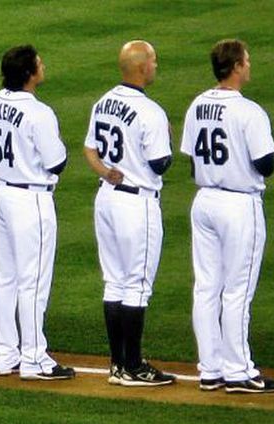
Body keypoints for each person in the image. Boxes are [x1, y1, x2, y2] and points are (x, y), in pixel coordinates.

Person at [180, 39, 274, 394]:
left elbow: (192, 159)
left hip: (204, 199)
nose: (250, 65)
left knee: (206, 287)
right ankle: (239, 371)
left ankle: (210, 369)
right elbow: (266, 164)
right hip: (239, 205)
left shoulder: (197, 105)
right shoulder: (248, 111)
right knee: (237, 290)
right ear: (236, 66)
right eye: (247, 60)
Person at [83, 40, 175, 387]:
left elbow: (89, 149)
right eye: (153, 60)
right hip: (137, 204)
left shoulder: (104, 101)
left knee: (115, 282)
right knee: (136, 285)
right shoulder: (151, 111)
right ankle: (134, 366)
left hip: (107, 199)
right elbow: (160, 163)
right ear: (140, 67)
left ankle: (118, 364)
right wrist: (169, 135)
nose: (156, 66)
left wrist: (105, 172)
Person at [0, 45, 75, 381]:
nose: (43, 64)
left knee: (5, 279)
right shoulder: (39, 112)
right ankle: (34, 359)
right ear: (29, 73)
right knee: (33, 283)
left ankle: (6, 355)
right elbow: (57, 163)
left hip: (0, 193)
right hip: (30, 200)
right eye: (39, 62)